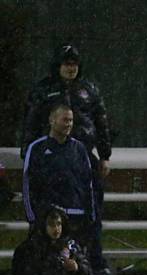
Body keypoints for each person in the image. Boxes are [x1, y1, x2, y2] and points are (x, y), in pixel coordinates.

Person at [21, 44, 112, 275]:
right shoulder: (44, 89)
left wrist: (105, 154)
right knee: (49, 219)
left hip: (82, 154)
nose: (71, 68)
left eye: (74, 64)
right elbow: (31, 120)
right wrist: (26, 150)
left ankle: (93, 261)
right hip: (53, 154)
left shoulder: (88, 90)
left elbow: (101, 121)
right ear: (58, 65)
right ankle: (42, 267)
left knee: (92, 212)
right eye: (66, 63)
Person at [23, 104, 96, 252]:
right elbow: (28, 184)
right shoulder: (37, 148)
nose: (68, 124)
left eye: (71, 120)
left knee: (75, 263)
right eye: (65, 120)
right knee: (48, 261)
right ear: (52, 120)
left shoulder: (79, 149)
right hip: (49, 218)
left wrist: (90, 215)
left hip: (76, 216)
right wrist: (32, 217)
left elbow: (88, 184)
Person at [12, 207, 92, 275]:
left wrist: (77, 267)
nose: (56, 228)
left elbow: (88, 271)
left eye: (59, 224)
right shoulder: (30, 247)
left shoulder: (71, 245)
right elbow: (25, 274)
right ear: (43, 226)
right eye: (51, 224)